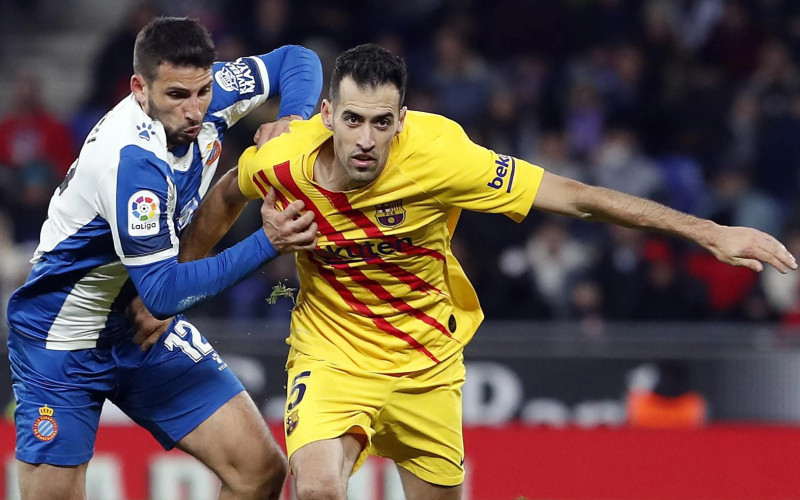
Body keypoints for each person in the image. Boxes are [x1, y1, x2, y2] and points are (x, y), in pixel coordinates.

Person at [179, 43, 797, 499]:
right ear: (327, 113)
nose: (366, 139)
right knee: (316, 489)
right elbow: (227, 194)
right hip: (331, 359)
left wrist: (710, 231)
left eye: (382, 122)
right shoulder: (285, 160)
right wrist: (178, 283)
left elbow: (576, 196)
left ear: (402, 119)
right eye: (352, 120)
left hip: (428, 364)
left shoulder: (444, 156)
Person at [6, 17, 322, 500]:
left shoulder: (210, 91)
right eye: (176, 96)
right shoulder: (132, 161)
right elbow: (163, 292)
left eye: (201, 92)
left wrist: (293, 121)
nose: (194, 110)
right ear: (139, 87)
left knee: (259, 471)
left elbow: (296, 60)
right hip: (61, 342)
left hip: (137, 324)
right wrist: (268, 243)